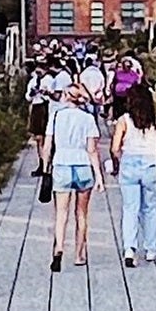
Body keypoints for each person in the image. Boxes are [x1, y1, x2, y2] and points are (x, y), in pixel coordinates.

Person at [108, 82, 156, 267]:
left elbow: (114, 148)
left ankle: (130, 249)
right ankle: (151, 249)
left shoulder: (124, 121)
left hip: (130, 164)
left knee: (130, 208)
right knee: (149, 208)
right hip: (151, 164)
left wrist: (121, 158)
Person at [44, 82, 102, 272]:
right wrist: (99, 176)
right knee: (82, 214)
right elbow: (92, 150)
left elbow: (47, 146)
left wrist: (45, 168)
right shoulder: (88, 119)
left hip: (61, 163)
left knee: (61, 213)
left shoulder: (56, 116)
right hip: (83, 164)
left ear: (66, 96)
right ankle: (79, 254)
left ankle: (59, 247)